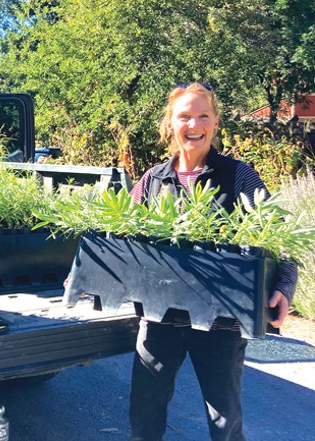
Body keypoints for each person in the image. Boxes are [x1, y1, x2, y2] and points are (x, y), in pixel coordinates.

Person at [127, 82, 298, 441]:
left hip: (221, 320)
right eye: (185, 116)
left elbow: (277, 234)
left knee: (224, 420)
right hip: (161, 316)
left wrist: (284, 286)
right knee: (145, 413)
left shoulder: (238, 176)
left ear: (216, 123)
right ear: (170, 124)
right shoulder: (153, 180)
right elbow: (124, 236)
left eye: (203, 116)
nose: (194, 124)